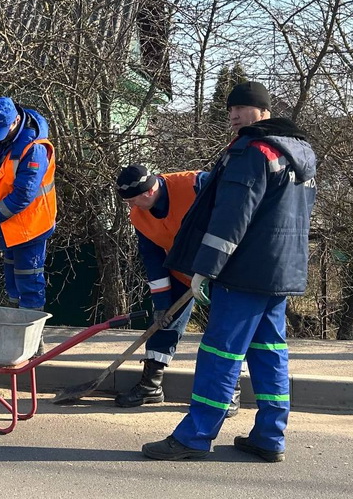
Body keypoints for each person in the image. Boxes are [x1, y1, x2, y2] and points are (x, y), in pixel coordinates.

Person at [142, 81, 317, 462]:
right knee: (270, 351)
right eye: (230, 109)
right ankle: (270, 436)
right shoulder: (299, 152)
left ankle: (195, 435)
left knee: (220, 353)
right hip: (280, 272)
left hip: (243, 273)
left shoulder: (252, 151)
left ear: (263, 111)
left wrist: (205, 268)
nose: (234, 115)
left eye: (241, 108)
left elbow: (231, 217)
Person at [115, 164, 243, 416]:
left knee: (225, 331)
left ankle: (228, 391)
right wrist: (162, 303)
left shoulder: (195, 184)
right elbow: (152, 258)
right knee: (164, 323)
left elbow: (236, 210)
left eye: (132, 200)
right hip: (182, 271)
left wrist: (214, 266)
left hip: (223, 271)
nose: (130, 206)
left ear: (149, 191)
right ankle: (150, 386)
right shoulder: (139, 216)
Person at [0, 96, 56, 329]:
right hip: (10, 225)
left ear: (16, 121)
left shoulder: (35, 149)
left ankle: (32, 338)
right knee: (13, 283)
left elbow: (22, 195)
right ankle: (14, 332)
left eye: (2, 130)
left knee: (29, 282)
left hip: (32, 226)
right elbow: (3, 170)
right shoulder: (3, 136)